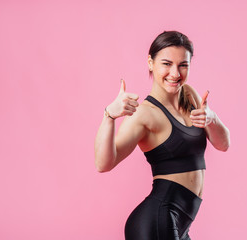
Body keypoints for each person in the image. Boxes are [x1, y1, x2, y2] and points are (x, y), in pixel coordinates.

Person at [94, 31, 230, 240]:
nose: (175, 73)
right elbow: (104, 164)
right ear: (151, 63)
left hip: (180, 223)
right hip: (157, 220)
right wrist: (109, 116)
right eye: (166, 64)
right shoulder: (144, 114)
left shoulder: (190, 96)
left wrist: (211, 118)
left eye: (182, 65)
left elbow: (223, 144)